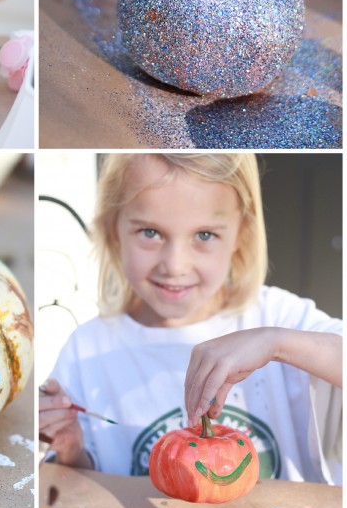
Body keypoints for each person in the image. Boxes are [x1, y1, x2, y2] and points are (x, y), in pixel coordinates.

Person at [39, 154, 342, 484]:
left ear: (241, 233)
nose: (175, 265)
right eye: (150, 232)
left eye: (205, 235)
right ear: (114, 229)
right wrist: (70, 449)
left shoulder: (280, 318)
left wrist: (277, 343)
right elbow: (75, 488)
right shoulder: (85, 351)